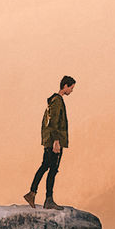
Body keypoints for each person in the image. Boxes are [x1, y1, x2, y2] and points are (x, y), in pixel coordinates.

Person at [24, 76, 75, 209]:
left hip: (50, 140)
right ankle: (48, 199)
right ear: (65, 86)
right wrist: (56, 141)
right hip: (54, 141)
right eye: (71, 87)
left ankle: (32, 192)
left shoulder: (53, 100)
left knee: (45, 166)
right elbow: (54, 122)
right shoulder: (57, 101)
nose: (71, 91)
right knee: (53, 169)